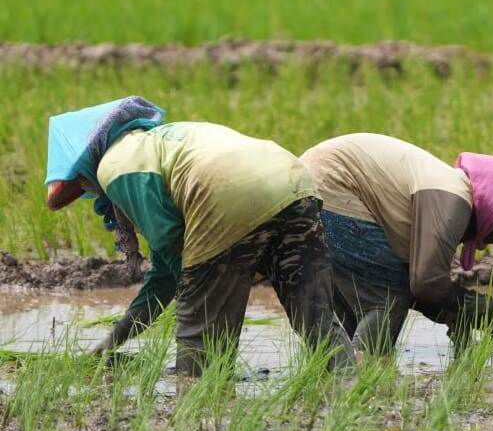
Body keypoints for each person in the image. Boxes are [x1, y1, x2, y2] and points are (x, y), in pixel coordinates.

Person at [45, 97, 356, 374]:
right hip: (295, 181)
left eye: (83, 185)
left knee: (199, 340)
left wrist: (193, 298)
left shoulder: (115, 165)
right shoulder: (169, 137)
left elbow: (169, 254)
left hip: (226, 192)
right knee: (315, 315)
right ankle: (349, 389)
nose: (88, 190)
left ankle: (200, 408)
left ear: (85, 162)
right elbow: (167, 271)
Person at [299, 133, 493, 355]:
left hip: (306, 187)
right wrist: (483, 308)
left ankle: (339, 384)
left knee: (358, 315)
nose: (482, 246)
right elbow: (426, 283)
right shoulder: (453, 196)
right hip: (332, 184)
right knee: (385, 298)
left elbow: (417, 287)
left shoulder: (441, 192)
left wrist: (453, 312)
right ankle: (362, 375)